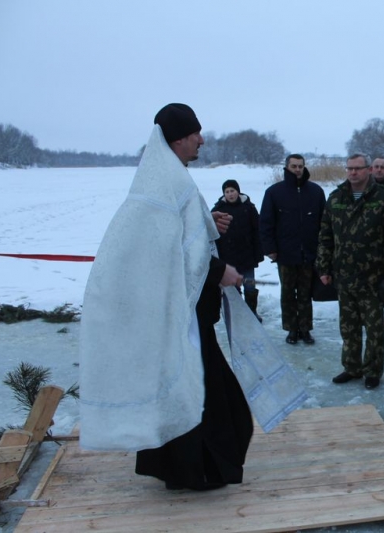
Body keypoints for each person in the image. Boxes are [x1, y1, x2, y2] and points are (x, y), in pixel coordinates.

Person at [79, 103, 253, 491]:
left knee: (197, 389)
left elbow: (177, 238)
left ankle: (188, 469)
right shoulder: (168, 183)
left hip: (183, 311)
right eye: (196, 134)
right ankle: (199, 472)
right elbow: (165, 252)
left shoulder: (168, 177)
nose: (202, 140)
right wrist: (218, 270)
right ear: (178, 138)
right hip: (180, 317)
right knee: (198, 391)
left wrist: (209, 223)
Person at [316, 154, 384, 390]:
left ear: (368, 170)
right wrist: (324, 267)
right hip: (344, 274)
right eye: (349, 169)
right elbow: (325, 236)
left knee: (375, 328)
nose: (353, 173)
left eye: (358, 169)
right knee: (349, 326)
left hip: (374, 276)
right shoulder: (336, 198)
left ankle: (373, 370)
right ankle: (352, 367)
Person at [260, 154, 326, 344]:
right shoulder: (274, 192)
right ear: (287, 168)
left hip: (309, 252)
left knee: (305, 293)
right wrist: (270, 248)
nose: (297, 169)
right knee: (288, 294)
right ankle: (291, 329)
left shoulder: (315, 191)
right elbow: (265, 223)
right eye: (294, 166)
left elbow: (324, 222)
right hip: (285, 252)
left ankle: (305, 329)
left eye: (300, 166)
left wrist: (323, 248)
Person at [211, 179, 264, 321]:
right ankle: (237, 315)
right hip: (228, 257)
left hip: (247, 256)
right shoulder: (218, 209)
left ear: (238, 191)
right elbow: (212, 234)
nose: (230, 194)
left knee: (250, 287)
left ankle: (252, 312)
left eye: (232, 191)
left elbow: (257, 231)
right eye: (227, 192)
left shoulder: (249, 207)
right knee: (233, 289)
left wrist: (259, 253)